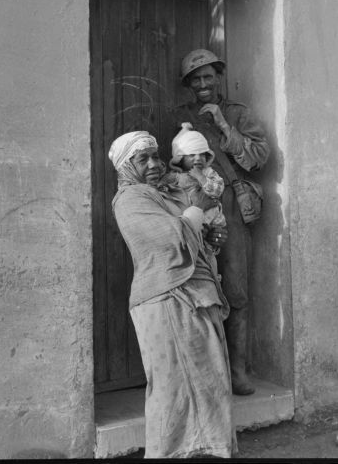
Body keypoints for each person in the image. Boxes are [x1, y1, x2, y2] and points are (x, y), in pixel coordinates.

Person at [108, 130, 235, 458]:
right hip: (165, 300)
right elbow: (169, 239)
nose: (153, 163)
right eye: (142, 159)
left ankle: (208, 452)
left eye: (155, 155)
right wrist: (197, 213)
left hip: (199, 294)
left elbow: (197, 234)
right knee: (172, 391)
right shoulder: (131, 199)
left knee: (210, 384)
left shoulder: (166, 192)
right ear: (125, 166)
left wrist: (211, 236)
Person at [172, 48, 270, 395]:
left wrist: (223, 125)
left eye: (208, 77)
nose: (202, 84)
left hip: (230, 203)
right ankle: (204, 373)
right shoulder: (179, 116)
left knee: (237, 289)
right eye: (195, 79)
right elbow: (172, 164)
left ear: (219, 78)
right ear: (188, 84)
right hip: (191, 203)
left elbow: (259, 157)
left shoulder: (237, 114)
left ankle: (238, 371)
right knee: (195, 285)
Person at [163, 121, 226, 261]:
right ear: (180, 159)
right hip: (187, 223)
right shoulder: (174, 177)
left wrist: (202, 178)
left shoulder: (209, 173)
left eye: (202, 154)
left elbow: (217, 191)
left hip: (211, 222)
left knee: (207, 252)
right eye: (191, 155)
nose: (198, 158)